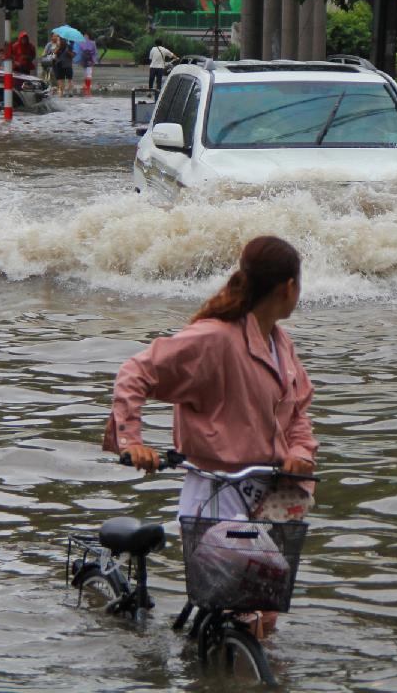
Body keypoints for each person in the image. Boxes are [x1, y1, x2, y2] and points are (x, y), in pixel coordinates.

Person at [104, 235, 318, 638]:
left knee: (262, 615)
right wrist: (132, 441)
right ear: (289, 286)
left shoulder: (280, 344)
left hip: (272, 490)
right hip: (216, 489)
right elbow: (136, 372)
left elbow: (298, 416)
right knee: (239, 611)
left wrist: (301, 452)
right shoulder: (216, 338)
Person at [77, 32, 98, 96]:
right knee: (85, 73)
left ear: (88, 36)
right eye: (84, 35)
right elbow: (79, 52)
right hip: (84, 59)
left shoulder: (92, 43)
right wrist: (79, 60)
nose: (85, 37)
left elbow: (95, 52)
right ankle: (86, 86)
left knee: (89, 73)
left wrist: (94, 60)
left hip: (89, 59)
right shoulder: (81, 43)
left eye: (86, 35)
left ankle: (88, 87)